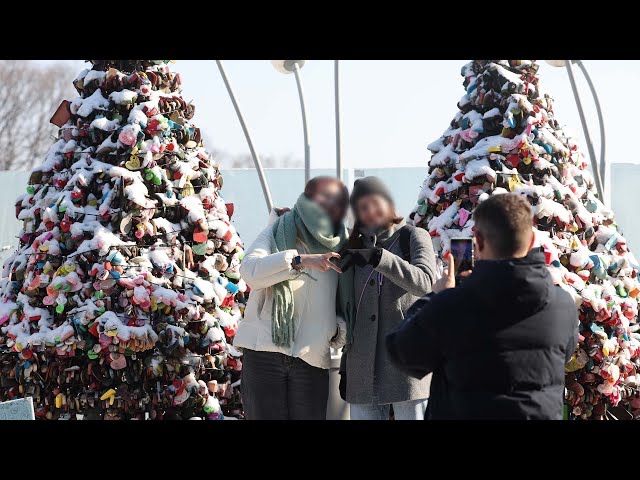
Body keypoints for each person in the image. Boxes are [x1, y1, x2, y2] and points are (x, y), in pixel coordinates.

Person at [386, 193, 579, 420]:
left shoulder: (451, 306)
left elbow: (403, 353)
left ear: (478, 240)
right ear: (530, 242)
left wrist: (435, 297)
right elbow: (562, 355)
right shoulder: (563, 304)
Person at [236, 176, 349, 420]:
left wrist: (336, 328)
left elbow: (346, 299)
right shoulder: (279, 228)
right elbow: (250, 272)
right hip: (264, 350)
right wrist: (298, 260)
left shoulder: (344, 244)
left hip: (311, 357)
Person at [338, 176, 436, 420]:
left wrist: (380, 258)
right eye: (361, 207)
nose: (369, 211)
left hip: (406, 368)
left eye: (374, 202)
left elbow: (425, 282)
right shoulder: (352, 249)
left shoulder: (412, 236)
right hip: (361, 371)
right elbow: (346, 308)